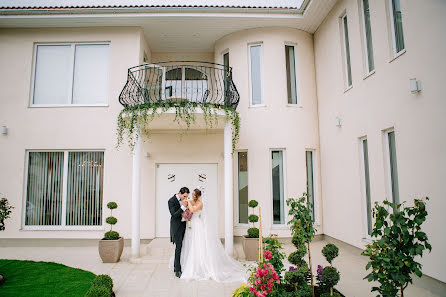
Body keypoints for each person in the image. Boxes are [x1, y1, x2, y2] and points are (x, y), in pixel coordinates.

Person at [169, 187, 247, 282]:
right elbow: (178, 213)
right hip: (185, 226)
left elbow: (192, 211)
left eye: (193, 195)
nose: (189, 197)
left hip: (196, 225)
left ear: (198, 196)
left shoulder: (199, 203)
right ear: (180, 193)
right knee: (183, 246)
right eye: (188, 195)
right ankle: (178, 267)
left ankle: (194, 266)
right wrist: (186, 210)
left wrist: (186, 204)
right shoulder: (174, 201)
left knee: (195, 245)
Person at [168, 186, 190, 278]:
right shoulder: (171, 201)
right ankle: (178, 270)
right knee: (178, 247)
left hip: (183, 226)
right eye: (184, 196)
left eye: (187, 196)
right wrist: (183, 207)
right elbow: (174, 214)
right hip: (176, 227)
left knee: (181, 247)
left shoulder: (185, 200)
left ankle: (175, 266)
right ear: (179, 193)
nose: (185, 198)